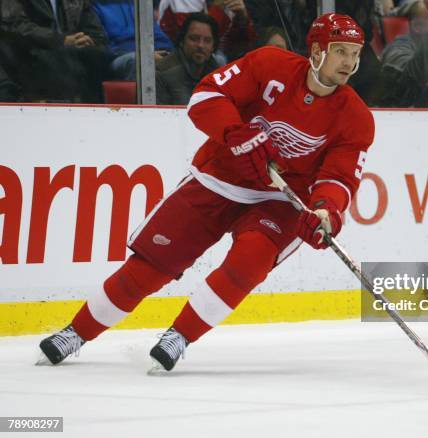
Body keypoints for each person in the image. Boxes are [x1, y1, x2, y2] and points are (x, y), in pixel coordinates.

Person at [38, 13, 375, 372]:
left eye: (355, 53)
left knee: (250, 260)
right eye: (340, 51)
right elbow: (206, 97)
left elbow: (339, 178)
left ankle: (179, 335)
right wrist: (233, 133)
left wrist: (325, 213)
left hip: (280, 199)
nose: (349, 63)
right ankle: (77, 331)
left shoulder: (355, 116)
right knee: (152, 265)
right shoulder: (269, 63)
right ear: (317, 50)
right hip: (218, 177)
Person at [0, 0, 113, 102]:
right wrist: (61, 40)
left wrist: (89, 41)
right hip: (32, 54)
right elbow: (15, 25)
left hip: (77, 54)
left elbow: (96, 32)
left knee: (104, 58)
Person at [92, 0, 175, 80]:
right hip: (118, 56)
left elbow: (157, 34)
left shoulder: (136, 3)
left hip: (151, 51)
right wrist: (146, 54)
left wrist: (165, 51)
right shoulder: (94, 5)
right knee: (138, 60)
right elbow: (102, 46)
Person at [156, 13, 221, 105]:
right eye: (194, 39)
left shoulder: (219, 73)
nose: (200, 45)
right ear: (182, 41)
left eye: (207, 40)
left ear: (213, 47)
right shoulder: (162, 73)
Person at [159, 0, 256, 61]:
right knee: (219, 60)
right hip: (171, 50)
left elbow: (239, 47)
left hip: (214, 53)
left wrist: (242, 18)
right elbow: (197, 40)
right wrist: (217, 8)